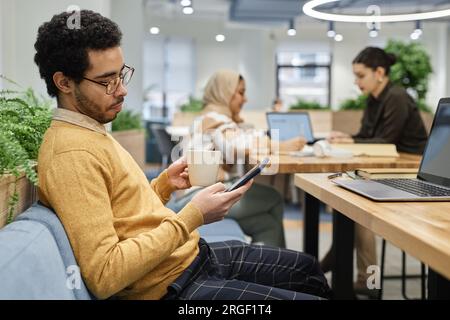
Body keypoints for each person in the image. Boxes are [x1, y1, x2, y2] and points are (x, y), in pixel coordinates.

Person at [34, 10, 330, 300]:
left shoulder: (92, 131)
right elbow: (105, 275)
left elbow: (124, 216)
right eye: (107, 81)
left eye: (122, 75)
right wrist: (191, 217)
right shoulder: (71, 153)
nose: (122, 90)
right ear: (65, 83)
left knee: (307, 269)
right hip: (171, 287)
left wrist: (163, 185)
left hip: (191, 257)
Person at [325, 47, 428, 298]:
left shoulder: (397, 97)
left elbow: (386, 141)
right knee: (347, 196)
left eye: (360, 75)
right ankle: (343, 267)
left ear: (379, 73)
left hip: (410, 169)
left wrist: (355, 142)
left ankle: (365, 279)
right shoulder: (374, 99)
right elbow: (369, 137)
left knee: (358, 205)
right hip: (388, 163)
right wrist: (349, 138)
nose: (356, 81)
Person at [169, 70, 306, 248]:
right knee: (274, 197)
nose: (245, 99)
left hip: (195, 195)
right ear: (224, 93)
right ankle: (278, 268)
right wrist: (282, 145)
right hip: (198, 197)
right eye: (240, 92)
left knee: (267, 224)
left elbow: (238, 140)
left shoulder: (209, 116)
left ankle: (266, 268)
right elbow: (238, 145)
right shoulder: (215, 118)